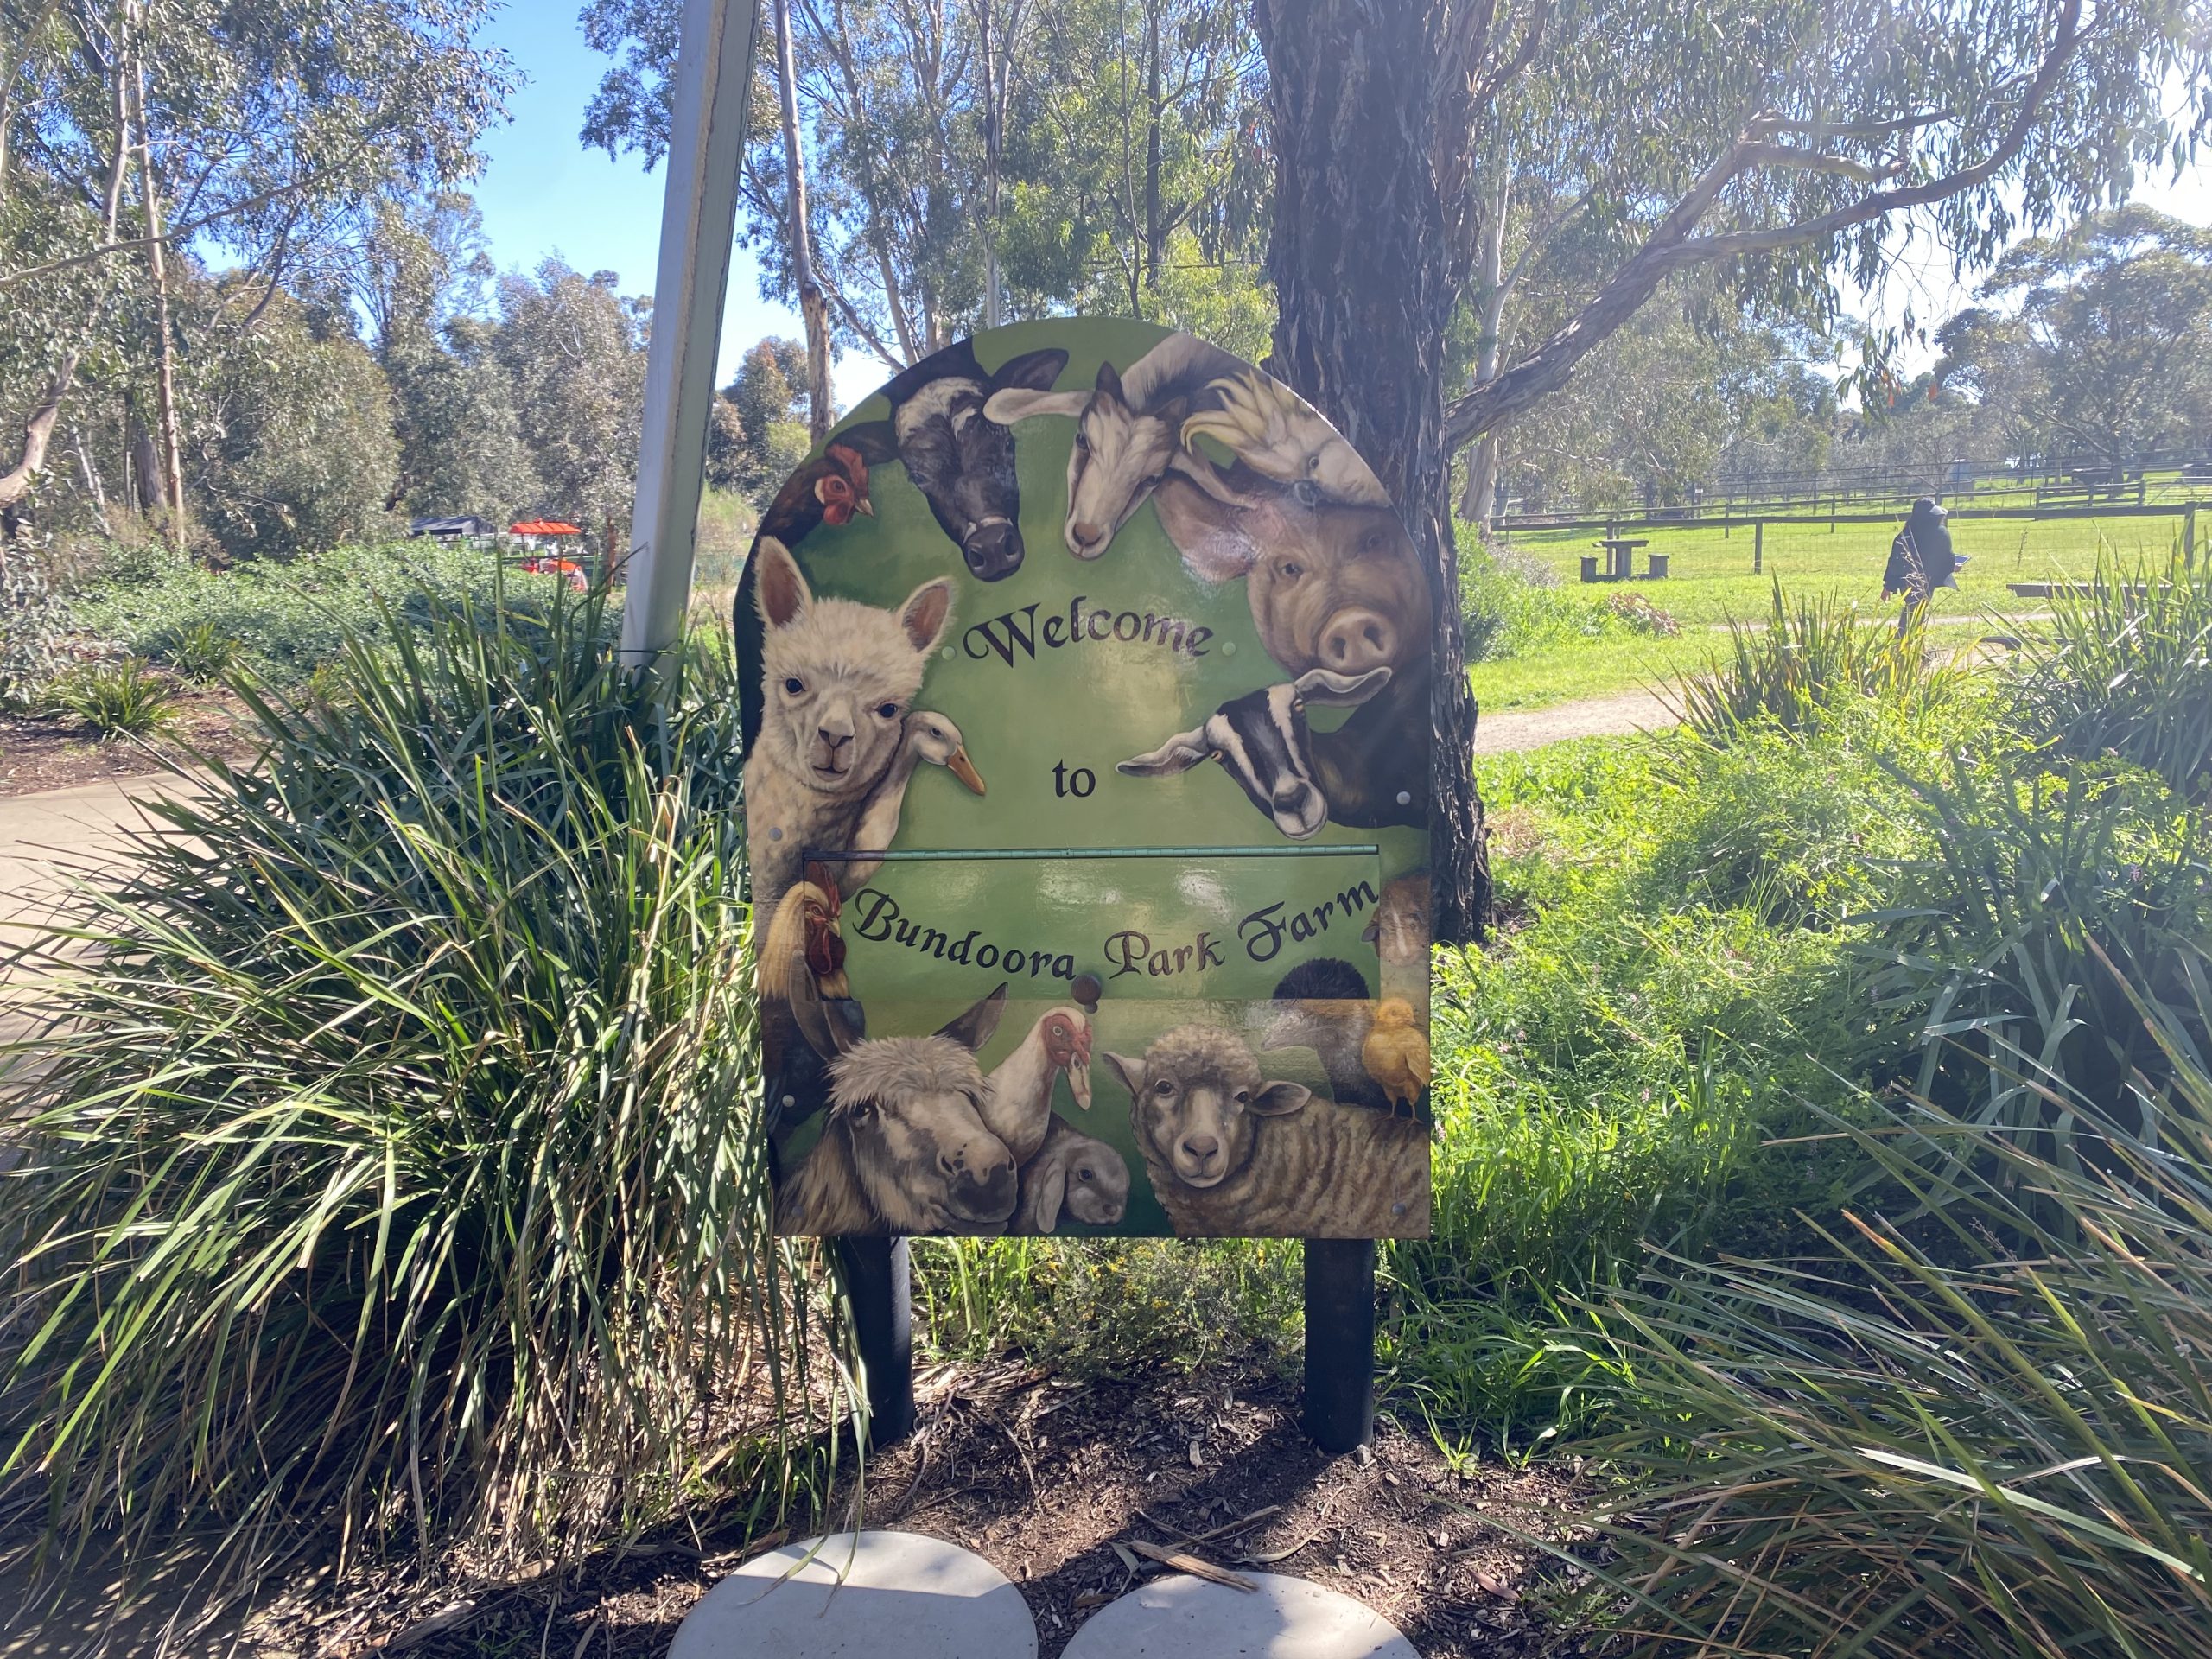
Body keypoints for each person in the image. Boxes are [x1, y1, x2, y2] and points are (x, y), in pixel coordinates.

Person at [1882, 496, 1963, 632]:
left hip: (1906, 581)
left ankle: (1911, 647)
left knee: (1914, 609)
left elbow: (1894, 562)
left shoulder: (1904, 534)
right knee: (1916, 611)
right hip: (1927, 580)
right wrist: (1953, 567)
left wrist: (1888, 586)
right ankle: (1902, 645)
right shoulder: (1940, 533)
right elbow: (1945, 558)